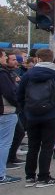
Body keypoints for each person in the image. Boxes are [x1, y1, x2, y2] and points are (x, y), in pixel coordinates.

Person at [16, 49, 55, 188]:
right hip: (51, 114)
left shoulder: (28, 75)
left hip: (31, 115)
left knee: (33, 146)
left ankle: (30, 177)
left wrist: (27, 108)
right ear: (52, 58)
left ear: (38, 59)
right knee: (47, 147)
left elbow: (19, 94)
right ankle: (44, 177)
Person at [0, 49, 21, 185]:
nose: (6, 58)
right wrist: (19, 104)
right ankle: (1, 175)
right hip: (5, 111)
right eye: (5, 56)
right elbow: (10, 93)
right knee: (4, 143)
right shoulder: (2, 74)